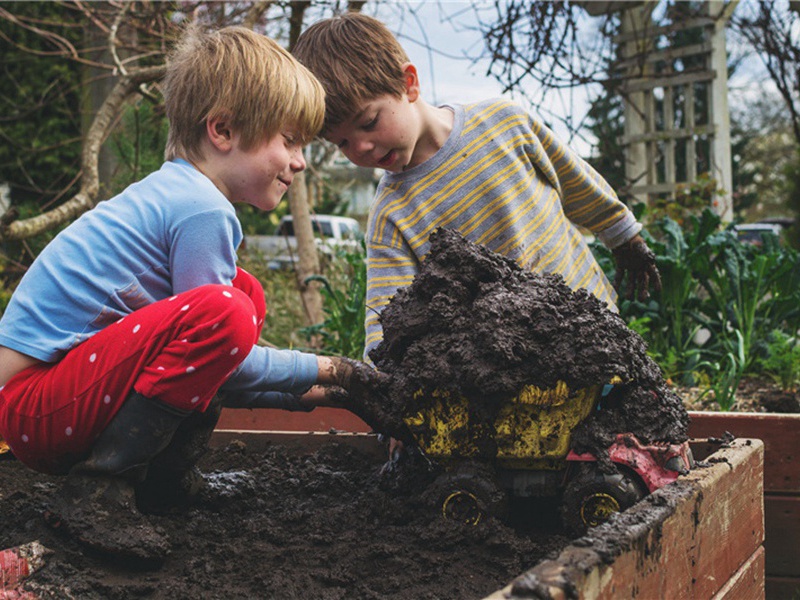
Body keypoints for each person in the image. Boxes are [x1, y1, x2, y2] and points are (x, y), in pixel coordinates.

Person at [0, 24, 377, 564]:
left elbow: (212, 368)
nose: (300, 161)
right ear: (222, 130)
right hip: (34, 408)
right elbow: (230, 357)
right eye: (289, 140)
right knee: (226, 313)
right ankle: (97, 496)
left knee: (242, 295)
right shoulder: (201, 208)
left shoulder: (176, 193)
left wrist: (322, 394)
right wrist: (335, 371)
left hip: (51, 402)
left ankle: (164, 481)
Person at [293, 13, 662, 365]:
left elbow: (575, 180)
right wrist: (383, 378)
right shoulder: (391, 214)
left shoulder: (504, 123)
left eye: (369, 122)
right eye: (342, 143)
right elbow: (386, 315)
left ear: (408, 83)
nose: (361, 148)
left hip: (596, 326)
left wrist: (624, 237)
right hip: (513, 367)